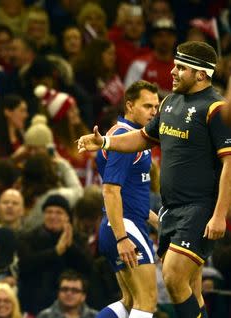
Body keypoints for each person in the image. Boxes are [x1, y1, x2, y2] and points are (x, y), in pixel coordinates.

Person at [77, 41, 231, 318]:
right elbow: (144, 138)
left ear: (200, 74)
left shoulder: (216, 108)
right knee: (191, 287)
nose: (172, 71)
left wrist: (220, 214)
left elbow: (229, 164)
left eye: (181, 67)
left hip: (199, 207)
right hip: (170, 210)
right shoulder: (170, 103)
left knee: (172, 276)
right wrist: (106, 142)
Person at [95, 80, 159, 318]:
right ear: (129, 106)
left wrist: (156, 222)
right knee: (147, 301)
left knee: (130, 301)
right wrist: (122, 237)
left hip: (121, 224)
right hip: (125, 227)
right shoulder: (125, 138)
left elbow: (129, 192)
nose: (154, 112)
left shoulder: (128, 136)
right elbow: (110, 190)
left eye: (156, 107)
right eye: (147, 106)